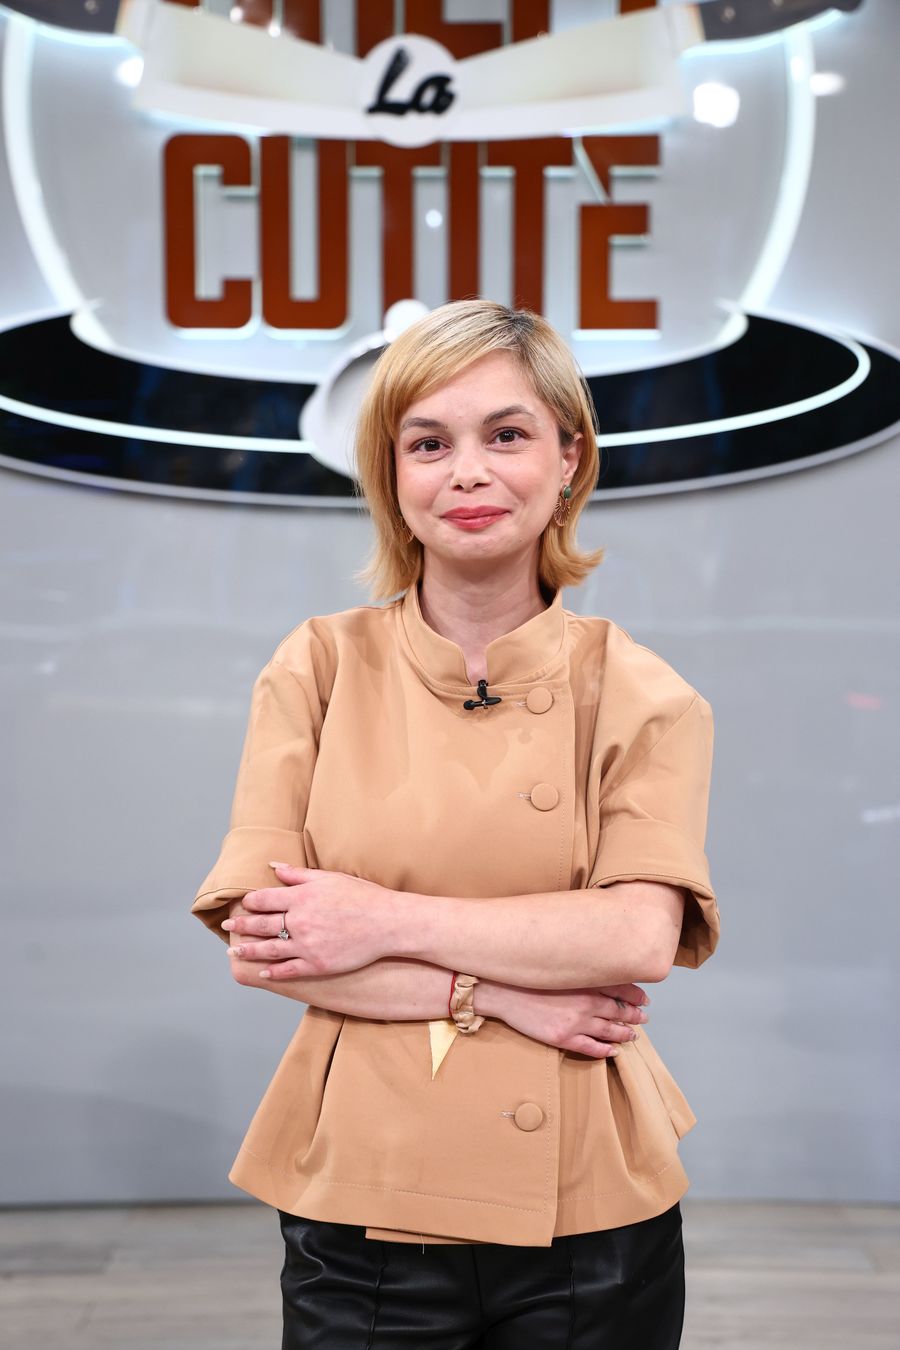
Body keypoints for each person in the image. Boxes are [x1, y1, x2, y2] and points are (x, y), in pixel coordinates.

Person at [191, 299, 720, 1348]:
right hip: (365, 1195)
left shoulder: (643, 692)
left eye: (506, 435)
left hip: (588, 1209)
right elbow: (269, 946)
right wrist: (503, 994)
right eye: (428, 443)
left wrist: (376, 919)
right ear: (391, 474)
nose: (467, 473)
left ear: (569, 458)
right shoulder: (318, 666)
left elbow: (635, 937)